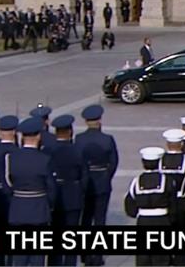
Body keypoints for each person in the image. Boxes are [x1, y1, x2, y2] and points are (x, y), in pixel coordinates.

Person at [7, 117, 56, 267]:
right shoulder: (44, 159)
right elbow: (51, 188)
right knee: (38, 256)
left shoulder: (12, 157)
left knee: (19, 256)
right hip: (38, 209)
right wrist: (50, 206)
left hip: (18, 208)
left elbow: (9, 182)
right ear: (39, 136)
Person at [75, 105, 117, 267]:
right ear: (99, 120)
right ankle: (98, 256)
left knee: (85, 219)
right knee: (100, 220)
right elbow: (113, 162)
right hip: (102, 182)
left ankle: (85, 254)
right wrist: (106, 177)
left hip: (85, 185)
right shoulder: (107, 139)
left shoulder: (79, 139)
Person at [124, 147, 175, 267]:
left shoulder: (136, 181)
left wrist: (138, 213)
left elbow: (130, 204)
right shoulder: (166, 180)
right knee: (161, 258)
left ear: (143, 163)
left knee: (143, 258)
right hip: (162, 220)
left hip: (143, 221)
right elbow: (173, 203)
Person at [48, 115, 86, 267]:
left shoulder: (48, 151)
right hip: (73, 196)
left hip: (55, 197)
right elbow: (85, 176)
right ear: (70, 132)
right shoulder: (77, 151)